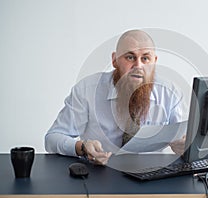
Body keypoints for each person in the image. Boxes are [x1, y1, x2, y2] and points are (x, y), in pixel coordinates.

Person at [45, 29, 187, 165]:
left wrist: (184, 147)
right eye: (130, 57)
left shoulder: (171, 94)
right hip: (101, 173)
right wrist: (82, 147)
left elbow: (183, 139)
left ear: (154, 62)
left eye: (145, 58)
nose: (138, 65)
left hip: (153, 176)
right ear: (114, 60)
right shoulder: (87, 91)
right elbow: (52, 138)